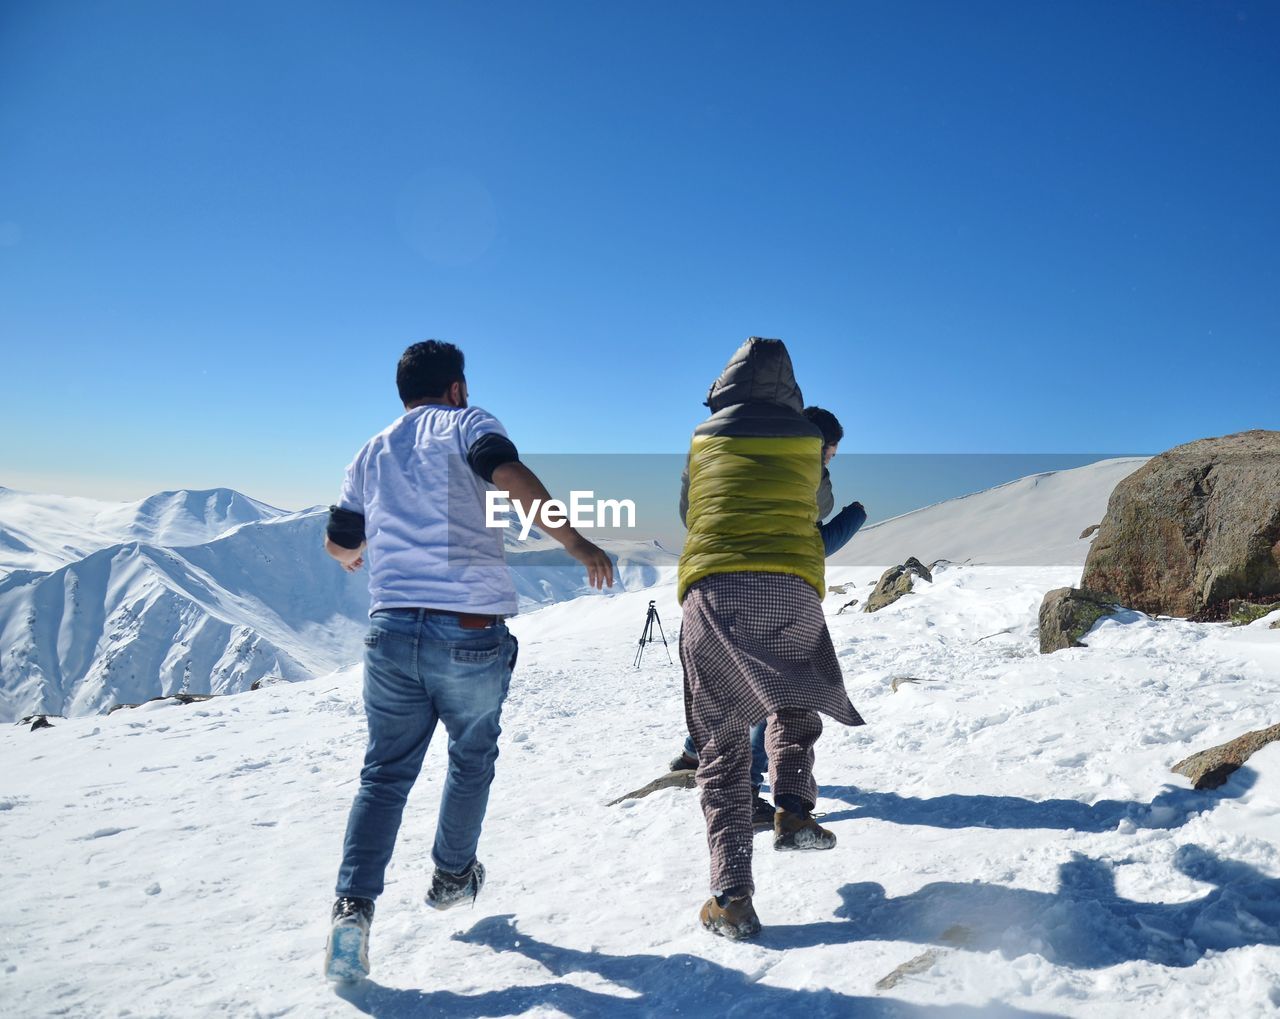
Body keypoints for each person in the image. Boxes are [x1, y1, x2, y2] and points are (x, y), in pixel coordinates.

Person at [322, 340, 614, 981]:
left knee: (384, 774)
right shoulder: (470, 423)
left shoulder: (370, 452)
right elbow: (508, 475)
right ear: (456, 387)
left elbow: (341, 540)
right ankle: (453, 875)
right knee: (471, 756)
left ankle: (352, 911)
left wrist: (350, 557)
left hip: (391, 631)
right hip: (470, 631)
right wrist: (577, 542)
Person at [676, 337, 864, 940]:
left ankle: (732, 897)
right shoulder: (810, 444)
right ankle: (794, 813)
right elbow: (815, 508)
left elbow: (689, 512)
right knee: (795, 698)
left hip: (717, 588)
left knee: (724, 744)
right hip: (793, 586)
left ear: (725, 384)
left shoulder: (705, 440)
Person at [667, 405, 867, 829]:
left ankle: (693, 753)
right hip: (775, 592)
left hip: (710, 585)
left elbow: (689, 511)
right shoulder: (805, 474)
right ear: (821, 445)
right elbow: (810, 540)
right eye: (829, 454)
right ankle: (764, 796)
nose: (828, 462)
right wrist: (853, 518)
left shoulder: (724, 449)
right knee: (779, 695)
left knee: (725, 687)